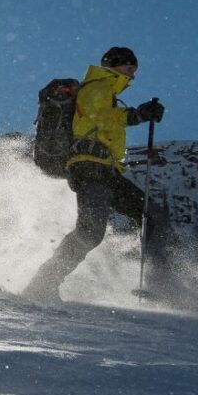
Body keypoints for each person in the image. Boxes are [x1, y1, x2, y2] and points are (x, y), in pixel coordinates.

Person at [23, 47, 166, 303]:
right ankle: (42, 284)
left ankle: (160, 283)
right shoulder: (96, 87)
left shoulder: (107, 93)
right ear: (115, 65)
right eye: (129, 69)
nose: (132, 76)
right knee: (91, 231)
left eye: (134, 71)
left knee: (150, 215)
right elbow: (96, 118)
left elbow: (102, 131)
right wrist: (137, 115)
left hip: (104, 169)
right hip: (90, 168)